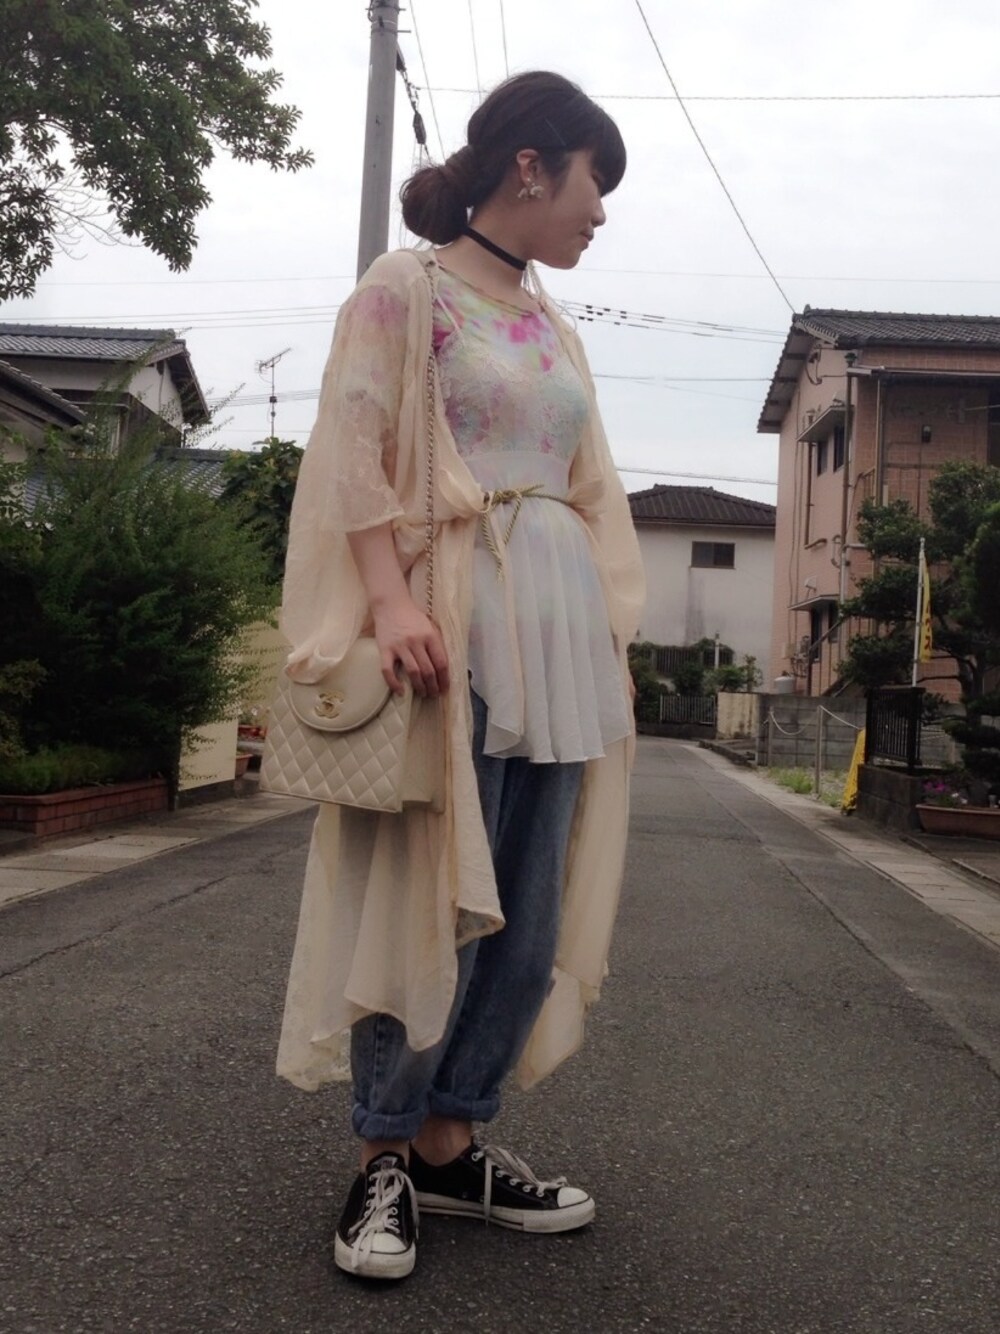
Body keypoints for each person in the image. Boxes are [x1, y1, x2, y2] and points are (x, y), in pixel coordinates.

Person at [275, 70, 646, 1281]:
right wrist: (388, 601)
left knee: (524, 917)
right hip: (450, 634)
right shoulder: (408, 286)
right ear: (531, 165)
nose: (600, 212)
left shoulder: (550, 322)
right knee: (429, 900)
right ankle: (383, 1150)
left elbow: (586, 490)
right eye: (594, 182)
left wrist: (605, 636)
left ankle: (449, 1142)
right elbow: (353, 446)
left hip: (558, 645)